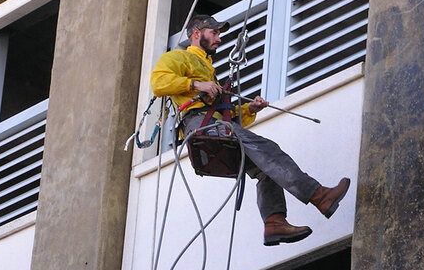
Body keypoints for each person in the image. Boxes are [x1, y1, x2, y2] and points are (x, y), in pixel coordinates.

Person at [150, 14, 350, 246]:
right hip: (201, 127)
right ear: (196, 34)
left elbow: (223, 114)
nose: (219, 39)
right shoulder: (180, 57)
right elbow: (158, 82)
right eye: (214, 33)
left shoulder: (208, 70)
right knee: (266, 149)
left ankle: (274, 222)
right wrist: (196, 84)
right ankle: (319, 195)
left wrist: (249, 109)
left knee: (265, 168)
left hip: (213, 127)